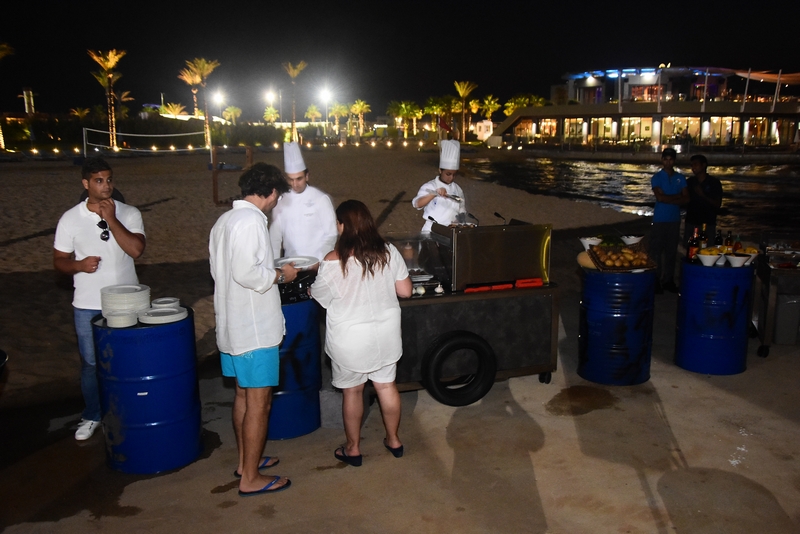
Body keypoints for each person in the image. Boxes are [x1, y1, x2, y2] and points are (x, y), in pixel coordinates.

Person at [209, 163, 298, 496]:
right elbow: (248, 274)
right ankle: (250, 479)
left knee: (243, 396)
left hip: (232, 325)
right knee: (260, 402)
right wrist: (281, 275)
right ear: (272, 193)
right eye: (278, 197)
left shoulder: (225, 221)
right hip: (254, 329)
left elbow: (226, 271)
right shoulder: (251, 222)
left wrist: (268, 269)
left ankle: (247, 461)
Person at [310, 200, 412, 467]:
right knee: (386, 387)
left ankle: (353, 448)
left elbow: (320, 297)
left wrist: (313, 289)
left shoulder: (333, 261)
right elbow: (406, 291)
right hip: (386, 336)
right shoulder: (388, 251)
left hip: (350, 341)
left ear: (343, 226)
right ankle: (394, 440)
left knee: (353, 392)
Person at [53, 157, 146, 440]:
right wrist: (79, 266)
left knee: (130, 359)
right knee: (92, 363)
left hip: (129, 301)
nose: (105, 185)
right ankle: (93, 414)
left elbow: (136, 250)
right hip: (88, 304)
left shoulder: (129, 213)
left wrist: (112, 219)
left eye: (108, 179)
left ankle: (134, 410)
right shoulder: (70, 218)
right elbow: (59, 260)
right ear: (85, 183)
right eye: (98, 180)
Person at [269, 142, 338, 268]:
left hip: (317, 265)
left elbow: (331, 234)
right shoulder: (280, 200)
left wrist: (321, 260)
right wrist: (274, 266)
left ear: (307, 176)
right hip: (290, 265)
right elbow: (275, 238)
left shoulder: (321, 199)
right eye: (291, 179)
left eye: (299, 179)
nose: (295, 184)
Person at [648, 147, 688, 294]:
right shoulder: (657, 177)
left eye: (670, 159)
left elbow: (687, 198)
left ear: (674, 160)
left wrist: (668, 198)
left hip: (674, 219)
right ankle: (656, 280)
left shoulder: (680, 178)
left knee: (671, 252)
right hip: (660, 219)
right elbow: (659, 197)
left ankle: (668, 280)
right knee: (656, 251)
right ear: (662, 160)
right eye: (665, 159)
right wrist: (677, 197)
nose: (668, 162)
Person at [411, 139, 466, 232]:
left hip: (451, 230)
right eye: (448, 174)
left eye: (454, 174)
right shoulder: (430, 186)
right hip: (431, 229)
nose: (451, 178)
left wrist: (459, 220)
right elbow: (417, 204)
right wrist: (434, 193)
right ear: (440, 170)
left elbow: (462, 208)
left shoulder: (457, 189)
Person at [683, 154, 723, 245]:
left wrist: (703, 195)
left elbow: (717, 204)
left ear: (704, 165)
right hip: (691, 221)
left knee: (707, 251)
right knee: (690, 250)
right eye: (692, 165)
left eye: (696, 164)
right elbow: (684, 198)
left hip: (707, 223)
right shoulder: (690, 182)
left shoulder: (714, 183)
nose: (693, 167)